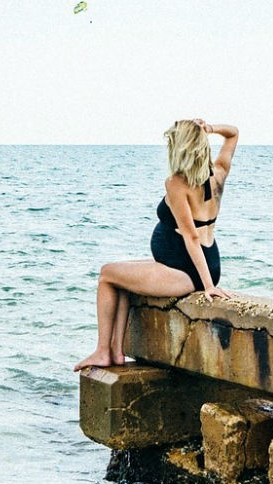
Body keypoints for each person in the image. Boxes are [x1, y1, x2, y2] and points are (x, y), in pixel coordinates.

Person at [74, 118, 239, 371]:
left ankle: (101, 351)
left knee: (107, 274)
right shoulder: (218, 173)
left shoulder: (177, 183)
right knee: (123, 279)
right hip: (207, 263)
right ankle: (115, 353)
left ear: (179, 148)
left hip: (186, 270)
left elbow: (191, 237)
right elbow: (234, 134)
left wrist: (208, 286)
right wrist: (210, 129)